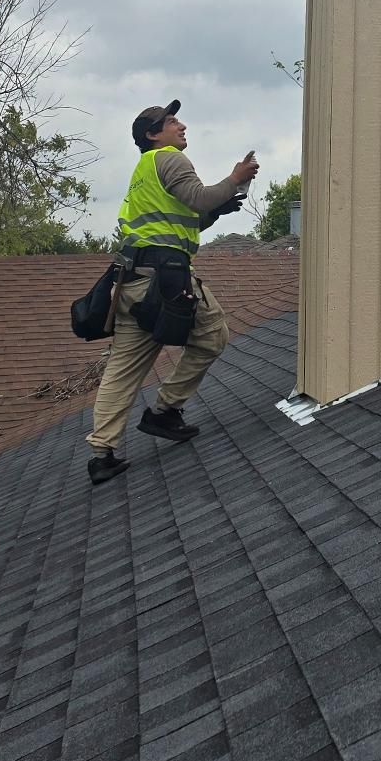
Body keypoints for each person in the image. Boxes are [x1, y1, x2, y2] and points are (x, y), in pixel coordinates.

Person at [87, 100, 259, 486]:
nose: (181, 126)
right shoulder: (170, 158)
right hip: (164, 280)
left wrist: (219, 210)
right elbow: (198, 197)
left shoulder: (142, 171)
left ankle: (102, 454)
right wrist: (235, 177)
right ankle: (165, 411)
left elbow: (189, 213)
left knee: (122, 369)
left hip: (129, 283)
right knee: (213, 334)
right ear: (153, 135)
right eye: (171, 121)